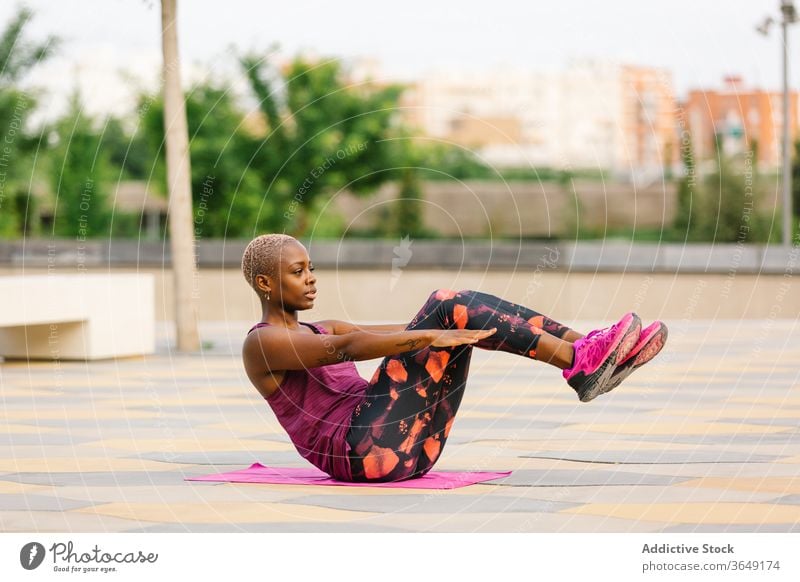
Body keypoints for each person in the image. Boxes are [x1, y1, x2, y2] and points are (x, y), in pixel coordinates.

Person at [241, 234, 667, 483]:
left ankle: (592, 348)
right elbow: (352, 347)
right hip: (361, 452)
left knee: (456, 305)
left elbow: (395, 333)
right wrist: (438, 327)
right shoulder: (262, 344)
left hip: (409, 450)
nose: (311, 278)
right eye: (298, 272)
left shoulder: (324, 325)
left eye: (310, 267)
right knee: (447, 304)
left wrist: (455, 325)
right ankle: (580, 360)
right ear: (264, 282)